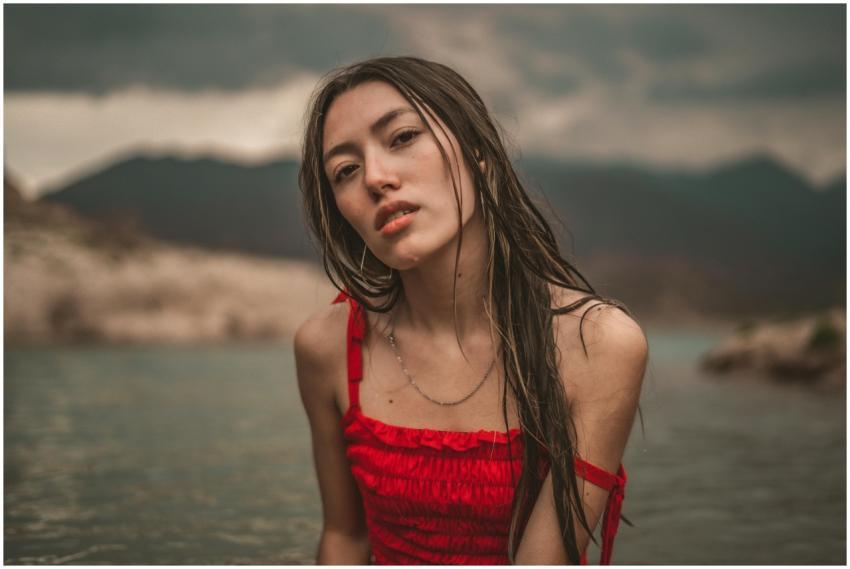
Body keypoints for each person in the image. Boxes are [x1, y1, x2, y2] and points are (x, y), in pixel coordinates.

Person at [294, 56, 648, 565]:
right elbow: (345, 539)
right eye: (345, 170)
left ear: (478, 152)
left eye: (401, 138)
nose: (375, 178)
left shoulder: (598, 344)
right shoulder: (325, 346)